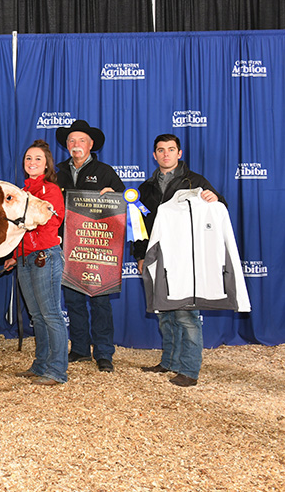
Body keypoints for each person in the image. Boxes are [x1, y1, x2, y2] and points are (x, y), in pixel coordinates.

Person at [133, 134, 225, 387]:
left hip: (186, 257)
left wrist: (215, 200)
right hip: (156, 255)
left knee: (186, 314)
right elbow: (139, 226)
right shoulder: (145, 188)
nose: (166, 154)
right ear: (154, 155)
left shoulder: (195, 181)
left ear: (179, 153)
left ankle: (190, 369)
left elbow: (219, 209)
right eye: (161, 150)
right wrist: (140, 255)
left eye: (171, 149)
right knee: (164, 313)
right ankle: (170, 361)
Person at [55, 119, 125, 373]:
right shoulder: (58, 170)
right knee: (73, 300)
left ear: (91, 144)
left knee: (100, 302)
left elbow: (122, 203)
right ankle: (81, 349)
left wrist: (114, 195)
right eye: (71, 140)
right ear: (66, 145)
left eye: (81, 140)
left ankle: (104, 352)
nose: (76, 144)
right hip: (68, 246)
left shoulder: (105, 171)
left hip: (97, 247)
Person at [3, 141, 67, 385]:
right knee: (37, 316)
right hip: (25, 257)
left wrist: (25, 228)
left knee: (51, 314)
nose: (32, 163)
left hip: (44, 256)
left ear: (47, 164)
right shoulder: (21, 191)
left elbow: (51, 222)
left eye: (38, 159)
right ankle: (41, 365)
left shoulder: (51, 190)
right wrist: (14, 255)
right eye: (28, 158)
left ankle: (57, 370)